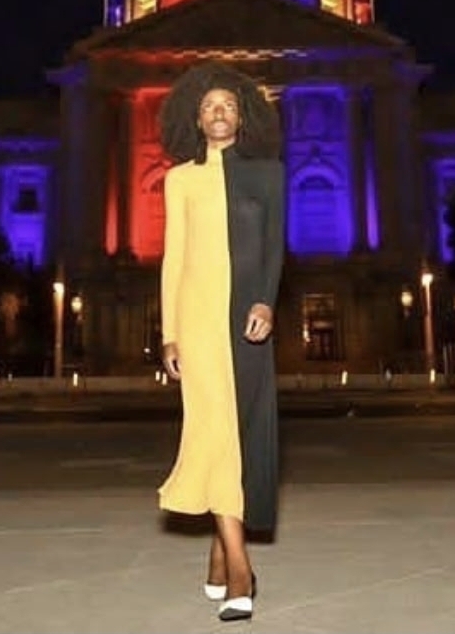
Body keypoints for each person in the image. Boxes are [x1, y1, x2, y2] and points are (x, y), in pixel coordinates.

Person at [157, 62, 285, 622]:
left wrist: (265, 301)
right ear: (196, 117)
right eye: (209, 106)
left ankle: (216, 554)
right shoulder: (179, 179)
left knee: (241, 432)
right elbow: (173, 259)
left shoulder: (268, 174)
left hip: (245, 319)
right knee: (214, 434)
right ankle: (239, 569)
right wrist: (169, 333)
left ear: (243, 116)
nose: (218, 113)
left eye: (228, 105)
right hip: (197, 319)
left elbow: (275, 248)